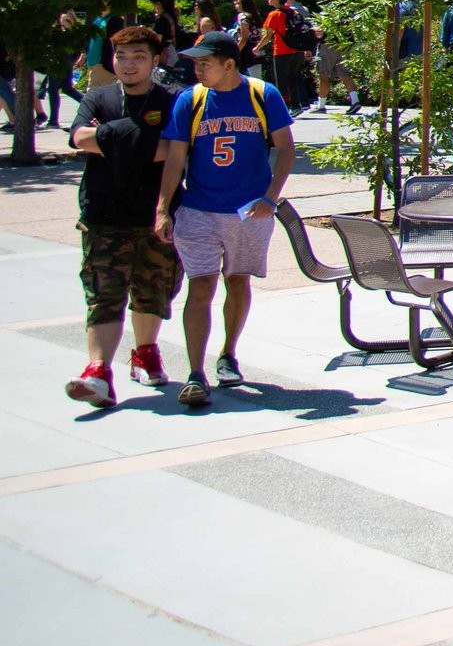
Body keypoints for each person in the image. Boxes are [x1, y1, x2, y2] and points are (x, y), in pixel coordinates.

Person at [155, 30, 296, 409]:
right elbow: (174, 157)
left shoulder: (262, 94)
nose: (197, 69)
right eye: (195, 63)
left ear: (229, 64)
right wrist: (163, 207)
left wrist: (271, 197)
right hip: (199, 209)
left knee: (237, 281)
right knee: (199, 286)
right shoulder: (191, 100)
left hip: (248, 211)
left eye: (205, 63)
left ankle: (228, 353)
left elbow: (285, 148)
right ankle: (195, 373)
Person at [66, 26, 184, 406]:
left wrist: (109, 138)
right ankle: (98, 371)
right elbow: (78, 138)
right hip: (103, 213)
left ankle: (145, 352)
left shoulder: (173, 100)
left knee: (153, 289)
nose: (128, 64)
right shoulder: (98, 97)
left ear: (155, 60)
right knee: (103, 293)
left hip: (156, 214)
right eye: (121, 56)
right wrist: (141, 139)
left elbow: (175, 150)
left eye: (138, 57)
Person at [262, 0, 307, 104]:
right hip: (296, 50)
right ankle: (296, 105)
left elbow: (268, 36)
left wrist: (257, 48)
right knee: (293, 78)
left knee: (281, 81)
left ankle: (284, 106)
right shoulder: (293, 12)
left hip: (281, 51)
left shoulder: (274, 14)